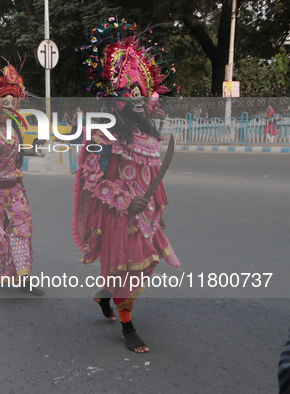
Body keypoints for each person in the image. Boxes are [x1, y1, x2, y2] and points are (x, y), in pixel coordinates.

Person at [73, 18, 180, 353]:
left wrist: (156, 206)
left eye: (141, 94)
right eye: (127, 94)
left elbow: (151, 172)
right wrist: (122, 200)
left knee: (147, 263)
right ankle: (127, 324)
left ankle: (104, 296)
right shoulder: (102, 133)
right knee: (126, 267)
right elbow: (92, 178)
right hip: (118, 213)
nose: (136, 100)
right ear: (113, 98)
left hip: (145, 210)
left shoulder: (149, 134)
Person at [0, 63, 44, 296]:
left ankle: (24, 277)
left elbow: (17, 162)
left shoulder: (16, 130)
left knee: (21, 232)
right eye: (6, 101)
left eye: (14, 101)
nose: (11, 105)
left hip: (14, 191)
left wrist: (22, 189)